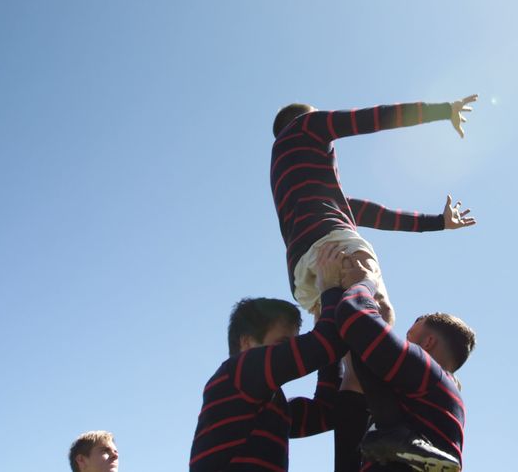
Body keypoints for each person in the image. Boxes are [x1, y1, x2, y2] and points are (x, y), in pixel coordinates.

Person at [270, 96, 478, 318]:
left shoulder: (297, 187)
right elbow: (372, 118)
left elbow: (374, 214)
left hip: (301, 275)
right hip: (333, 244)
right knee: (379, 311)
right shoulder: (307, 125)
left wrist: (439, 222)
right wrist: (443, 110)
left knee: (334, 337)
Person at [322, 245, 476, 471]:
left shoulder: (430, 374)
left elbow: (355, 317)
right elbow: (351, 405)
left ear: (428, 343)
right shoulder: (423, 402)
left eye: (408, 336)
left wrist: (365, 281)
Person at [189, 291, 348, 471]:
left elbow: (327, 412)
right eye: (283, 343)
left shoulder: (272, 407)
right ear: (247, 343)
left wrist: (327, 341)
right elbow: (324, 344)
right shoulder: (238, 371)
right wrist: (331, 289)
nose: (292, 350)